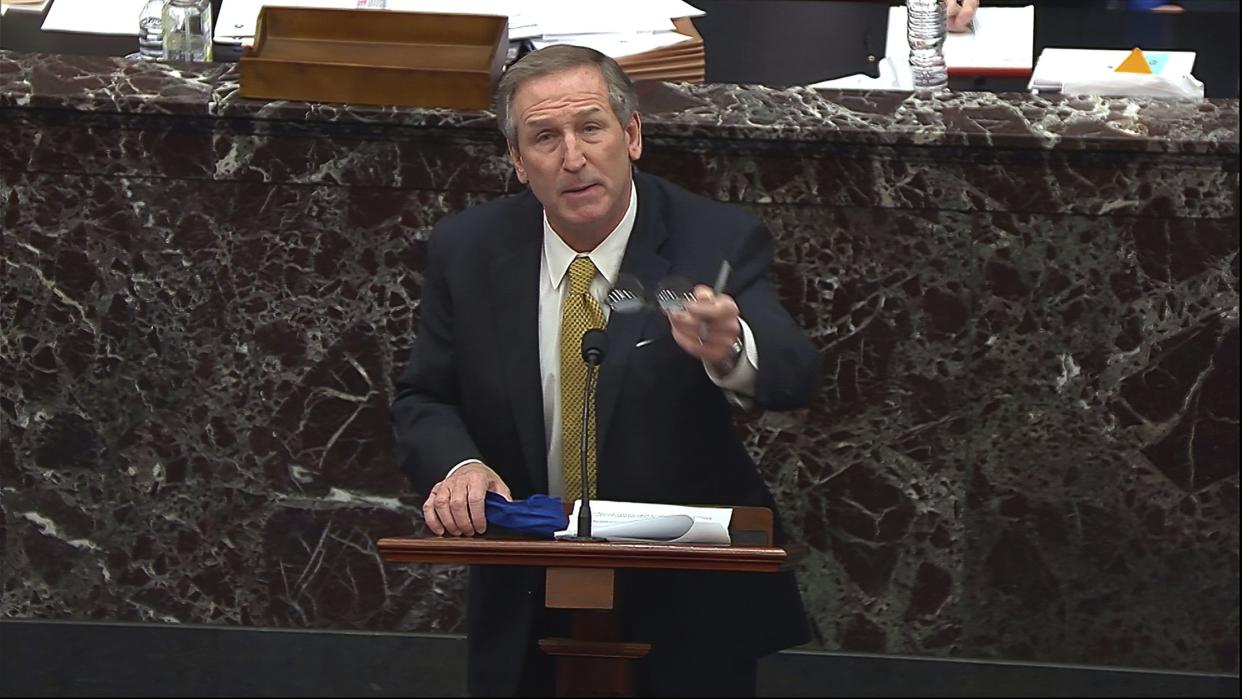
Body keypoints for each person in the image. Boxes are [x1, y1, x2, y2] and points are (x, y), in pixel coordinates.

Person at [391, 44, 818, 697]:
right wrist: (461, 466)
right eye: (544, 137)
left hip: (684, 600)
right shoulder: (469, 250)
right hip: (528, 587)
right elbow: (425, 396)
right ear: (516, 160)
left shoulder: (714, 238)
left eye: (590, 127)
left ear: (632, 135)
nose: (573, 157)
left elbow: (794, 373)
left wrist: (733, 347)